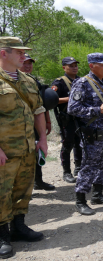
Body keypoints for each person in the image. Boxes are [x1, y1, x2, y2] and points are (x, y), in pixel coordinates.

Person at [0, 37, 47, 258]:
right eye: (18, 53)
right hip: (4, 150)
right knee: (1, 192)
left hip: (28, 147)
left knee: (22, 190)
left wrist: (43, 140)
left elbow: (38, 110)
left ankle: (18, 227)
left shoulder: (27, 80)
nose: (23, 56)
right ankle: (2, 235)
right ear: (3, 54)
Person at [67, 53, 103, 216]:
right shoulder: (82, 83)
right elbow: (72, 108)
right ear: (92, 66)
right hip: (93, 134)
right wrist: (97, 110)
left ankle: (98, 194)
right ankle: (81, 200)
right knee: (89, 166)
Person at [19, 54, 56, 191]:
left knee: (37, 151)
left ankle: (38, 181)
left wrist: (47, 120)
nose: (28, 65)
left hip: (33, 122)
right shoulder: (10, 80)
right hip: (17, 125)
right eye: (25, 62)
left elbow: (41, 104)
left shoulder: (33, 81)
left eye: (30, 63)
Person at [52, 57, 82, 184]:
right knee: (67, 145)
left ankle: (79, 168)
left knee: (80, 143)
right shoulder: (59, 82)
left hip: (80, 118)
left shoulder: (81, 80)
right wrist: (69, 100)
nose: (74, 67)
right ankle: (67, 172)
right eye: (71, 65)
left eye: (75, 65)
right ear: (64, 67)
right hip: (67, 119)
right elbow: (53, 100)